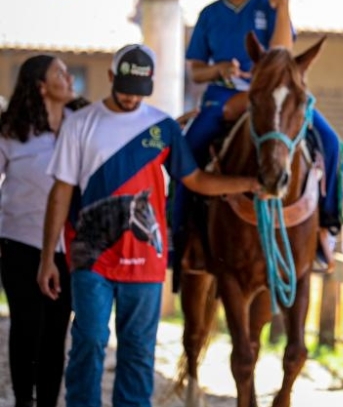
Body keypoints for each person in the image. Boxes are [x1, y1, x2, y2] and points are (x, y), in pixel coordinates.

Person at [36, 44, 259, 407]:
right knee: (90, 339)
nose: (129, 98)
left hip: (146, 261)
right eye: (123, 88)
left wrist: (247, 184)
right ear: (110, 77)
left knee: (138, 351)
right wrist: (49, 257)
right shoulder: (81, 123)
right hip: (91, 256)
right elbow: (59, 194)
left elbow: (196, 181)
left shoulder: (163, 127)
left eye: (138, 91)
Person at [175, 0, 343, 270]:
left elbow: (281, 56)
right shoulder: (208, 15)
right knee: (186, 147)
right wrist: (218, 69)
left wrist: (284, 9)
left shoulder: (271, 3)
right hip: (223, 98)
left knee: (332, 143)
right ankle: (180, 231)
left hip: (274, 98)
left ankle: (327, 225)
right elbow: (195, 72)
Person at [0, 55, 82, 407]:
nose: (69, 78)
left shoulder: (82, 124)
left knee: (56, 331)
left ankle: (48, 401)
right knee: (26, 326)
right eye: (60, 73)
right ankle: (23, 400)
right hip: (18, 243)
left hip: (68, 247)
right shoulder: (9, 130)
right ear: (41, 86)